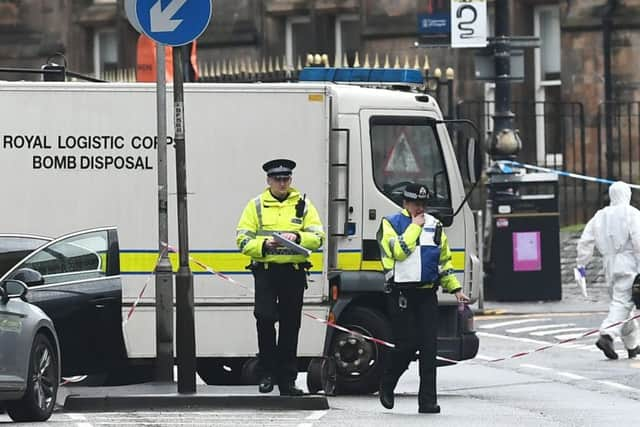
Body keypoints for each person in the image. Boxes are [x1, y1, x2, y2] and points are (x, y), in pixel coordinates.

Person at [376, 183, 469, 414]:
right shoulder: (390, 224)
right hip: (401, 293)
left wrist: (455, 288)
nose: (419, 208)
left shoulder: (435, 225)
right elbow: (397, 251)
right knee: (406, 345)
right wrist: (414, 228)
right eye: (415, 204)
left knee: (429, 348)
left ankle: (427, 401)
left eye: (423, 204)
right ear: (404, 203)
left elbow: (443, 261)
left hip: (427, 293)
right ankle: (387, 382)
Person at [236, 158, 325, 395]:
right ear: (269, 181)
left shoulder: (304, 206)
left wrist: (297, 237)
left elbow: (318, 237)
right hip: (266, 272)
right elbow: (242, 239)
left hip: (293, 273)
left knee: (289, 326)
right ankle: (266, 374)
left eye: (286, 179)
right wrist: (265, 244)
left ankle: (286, 380)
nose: (283, 183)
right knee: (264, 320)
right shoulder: (255, 206)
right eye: (278, 179)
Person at [576, 181, 640, 360]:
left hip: (609, 266)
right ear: (627, 195)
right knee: (622, 303)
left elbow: (585, 241)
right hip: (628, 263)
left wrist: (581, 264)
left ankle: (633, 346)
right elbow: (638, 240)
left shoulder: (599, 215)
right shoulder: (632, 213)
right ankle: (607, 335)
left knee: (622, 305)